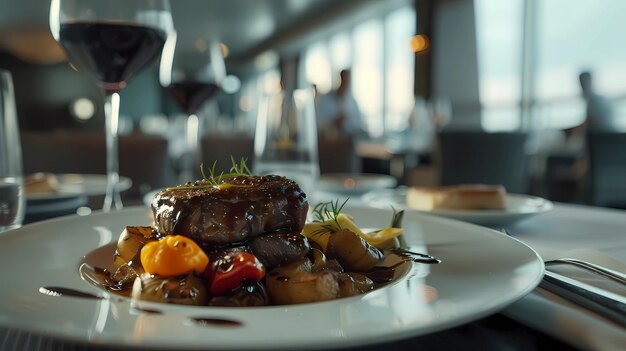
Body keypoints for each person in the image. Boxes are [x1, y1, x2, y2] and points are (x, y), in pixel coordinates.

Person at [315, 69, 362, 136]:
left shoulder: (352, 102)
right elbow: (318, 123)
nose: (345, 84)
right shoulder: (326, 100)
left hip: (348, 140)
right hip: (329, 140)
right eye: (343, 80)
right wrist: (333, 123)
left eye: (347, 81)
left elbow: (358, 124)